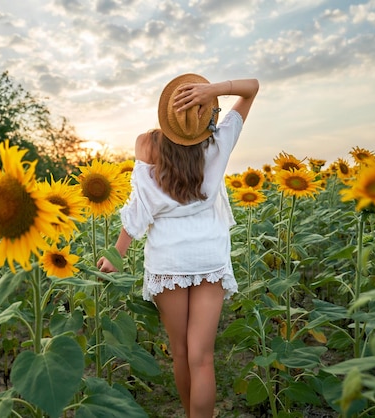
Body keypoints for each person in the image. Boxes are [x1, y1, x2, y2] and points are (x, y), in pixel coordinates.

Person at [97, 73, 259, 418]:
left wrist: (116, 256)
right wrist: (215, 90)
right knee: (203, 357)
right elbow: (252, 87)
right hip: (209, 257)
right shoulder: (219, 142)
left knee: (181, 353)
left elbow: (137, 208)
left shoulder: (147, 145)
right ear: (205, 113)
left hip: (168, 258)